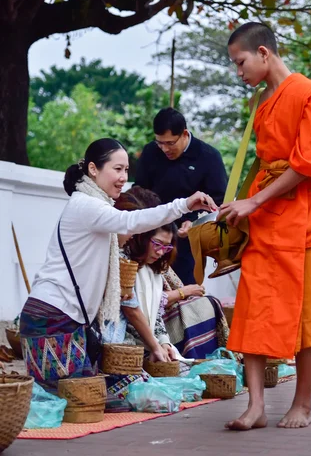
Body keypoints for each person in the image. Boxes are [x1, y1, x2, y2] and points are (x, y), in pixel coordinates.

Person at [19, 138, 217, 389]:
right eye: (117, 169)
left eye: (126, 170)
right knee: (73, 399)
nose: (124, 177)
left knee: (82, 399)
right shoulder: (86, 205)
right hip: (52, 316)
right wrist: (183, 205)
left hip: (66, 317)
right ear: (93, 169)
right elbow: (131, 222)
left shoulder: (97, 206)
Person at [219, 23, 311, 430]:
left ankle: (302, 404)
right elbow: (267, 164)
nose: (239, 72)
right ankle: (256, 406)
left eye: (241, 62)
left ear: (264, 53)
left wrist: (255, 200)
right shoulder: (263, 102)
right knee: (253, 308)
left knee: (307, 313)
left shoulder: (310, 95)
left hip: (301, 220)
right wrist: (244, 204)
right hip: (265, 219)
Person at [110, 187, 229, 359]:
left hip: (149, 340)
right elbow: (131, 311)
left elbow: (155, 314)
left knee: (207, 303)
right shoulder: (123, 259)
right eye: (157, 244)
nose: (160, 252)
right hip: (126, 341)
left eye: (166, 248)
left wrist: (164, 342)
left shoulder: (155, 268)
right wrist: (155, 345)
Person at [135, 108, 228, 284]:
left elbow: (219, 202)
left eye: (170, 143)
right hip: (150, 238)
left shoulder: (209, 157)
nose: (164, 149)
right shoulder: (150, 152)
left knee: (184, 294)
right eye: (160, 143)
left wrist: (194, 223)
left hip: (186, 243)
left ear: (184, 134)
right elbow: (139, 191)